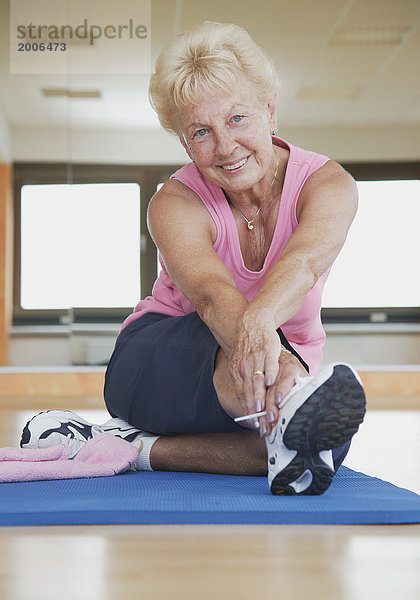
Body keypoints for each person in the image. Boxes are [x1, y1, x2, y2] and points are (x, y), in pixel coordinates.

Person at [21, 21, 366, 495]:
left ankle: (131, 448)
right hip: (159, 359)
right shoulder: (174, 203)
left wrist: (267, 341)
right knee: (271, 388)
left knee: (318, 445)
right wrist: (274, 363)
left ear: (270, 111)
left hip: (270, 366)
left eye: (238, 119)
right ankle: (287, 400)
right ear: (184, 143)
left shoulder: (328, 185)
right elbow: (210, 294)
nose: (225, 147)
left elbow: (304, 263)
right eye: (201, 131)